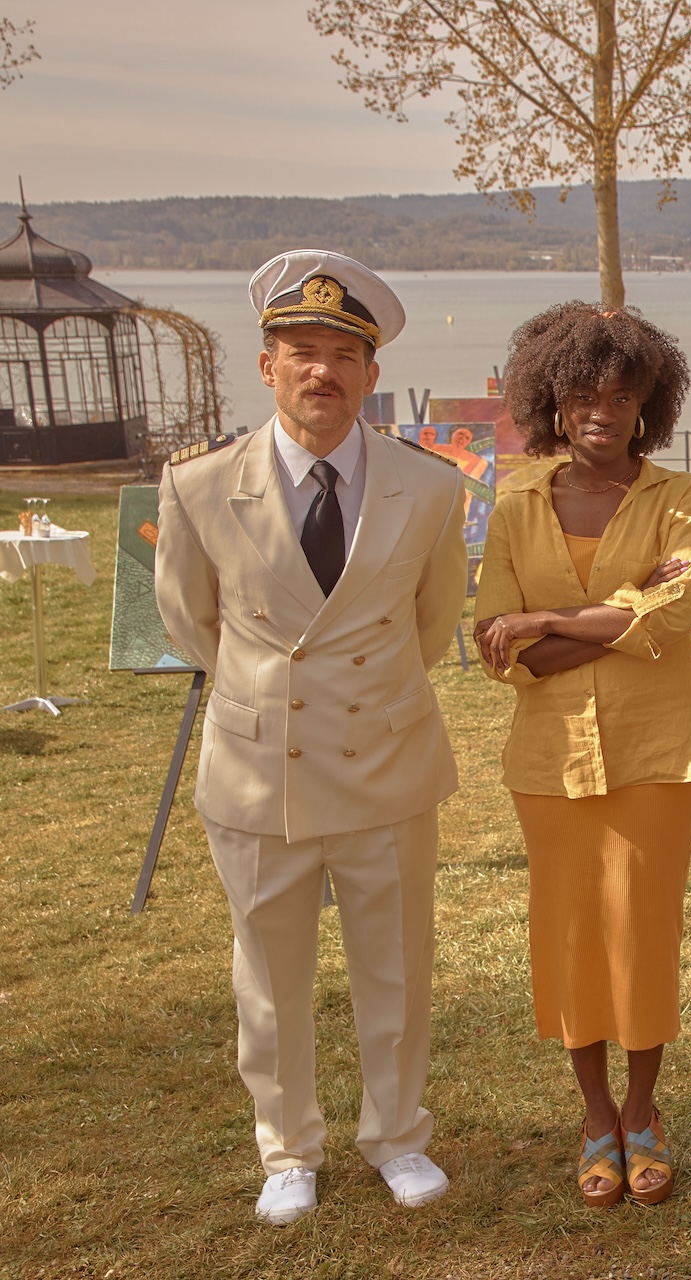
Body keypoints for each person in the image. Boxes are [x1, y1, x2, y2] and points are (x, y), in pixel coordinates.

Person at [156, 251, 468, 1224]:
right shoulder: (201, 484)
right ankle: (287, 1148)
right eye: (300, 351)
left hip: (386, 758)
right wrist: (269, 690)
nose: (320, 371)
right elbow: (190, 621)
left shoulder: (431, 487)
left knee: (397, 967)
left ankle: (398, 1134)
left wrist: (359, 692)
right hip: (262, 770)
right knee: (270, 977)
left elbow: (430, 623)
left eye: (341, 354)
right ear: (267, 366)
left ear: (371, 373)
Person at [474, 303, 691, 1207]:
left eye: (621, 396)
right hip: (549, 765)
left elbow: (675, 614)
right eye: (582, 395)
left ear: (648, 402)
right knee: (571, 936)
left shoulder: (682, 501)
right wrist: (619, 614)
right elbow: (500, 650)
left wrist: (543, 618)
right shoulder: (515, 509)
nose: (601, 413)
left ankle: (643, 1112)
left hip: (658, 756)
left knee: (641, 934)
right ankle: (593, 1116)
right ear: (551, 400)